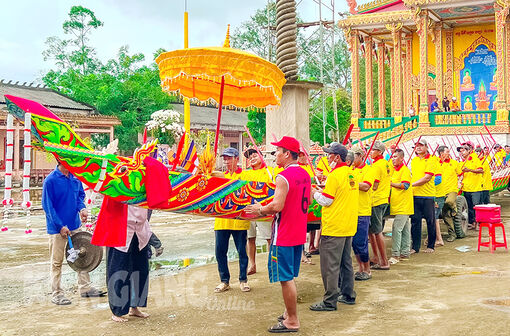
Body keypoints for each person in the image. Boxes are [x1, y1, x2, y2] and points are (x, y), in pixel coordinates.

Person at [245, 136, 311, 333]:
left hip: (283, 233)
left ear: (287, 154)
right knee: (289, 275)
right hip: (298, 231)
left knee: (285, 278)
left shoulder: (283, 177)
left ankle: (292, 320)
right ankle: (288, 312)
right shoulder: (305, 174)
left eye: (278, 152)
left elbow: (277, 205)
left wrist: (260, 209)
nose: (275, 156)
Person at [42, 162, 106, 305]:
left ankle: (85, 288)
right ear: (62, 161)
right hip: (57, 229)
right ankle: (57, 293)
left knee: (82, 257)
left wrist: (82, 208)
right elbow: (48, 206)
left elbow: (79, 197)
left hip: (74, 225)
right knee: (57, 262)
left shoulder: (75, 178)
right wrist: (59, 226)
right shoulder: (50, 180)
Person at [309, 143, 358, 311]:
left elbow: (327, 200)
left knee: (329, 265)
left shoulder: (335, 175)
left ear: (337, 157)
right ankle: (348, 294)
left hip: (335, 225)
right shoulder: (350, 174)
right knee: (346, 262)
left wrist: (314, 193)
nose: (327, 157)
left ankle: (329, 300)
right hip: (348, 224)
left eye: (329, 155)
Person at [214, 147, 251, 293]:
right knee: (220, 252)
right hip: (221, 220)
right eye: (225, 158)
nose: (227, 161)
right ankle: (224, 281)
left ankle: (243, 280)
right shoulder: (220, 176)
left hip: (239, 221)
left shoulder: (244, 176)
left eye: (229, 158)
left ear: (237, 159)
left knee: (242, 251)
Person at [107, 205, 151, 322]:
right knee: (118, 269)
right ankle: (117, 311)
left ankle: (134, 306)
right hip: (121, 228)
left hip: (140, 229)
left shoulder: (145, 186)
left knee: (140, 269)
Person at [242, 148, 273, 275]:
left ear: (261, 156)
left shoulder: (269, 171)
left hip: (264, 210)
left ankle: (272, 263)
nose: (252, 158)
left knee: (269, 238)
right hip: (249, 210)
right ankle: (252, 264)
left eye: (255, 155)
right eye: (250, 157)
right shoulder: (245, 174)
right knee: (250, 238)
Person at [410, 139, 437, 254]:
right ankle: (415, 247)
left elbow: (427, 178)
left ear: (426, 147)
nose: (418, 147)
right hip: (415, 195)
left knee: (430, 221)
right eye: (416, 146)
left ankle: (431, 245)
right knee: (415, 221)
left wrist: (411, 185)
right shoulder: (414, 161)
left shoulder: (431, 160)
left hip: (427, 195)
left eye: (421, 145)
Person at [351, 145, 374, 281]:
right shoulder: (351, 170)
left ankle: (367, 269)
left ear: (360, 156)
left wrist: (351, 183)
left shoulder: (368, 170)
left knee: (361, 242)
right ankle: (360, 267)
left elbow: (366, 186)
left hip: (362, 211)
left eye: (354, 156)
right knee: (354, 243)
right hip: (352, 210)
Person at [368, 140, 391, 270]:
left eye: (373, 150)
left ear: (379, 152)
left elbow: (374, 185)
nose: (371, 152)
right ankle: (376, 257)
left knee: (377, 231)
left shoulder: (377, 166)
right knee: (373, 231)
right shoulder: (385, 164)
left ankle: (384, 262)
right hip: (383, 199)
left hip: (376, 200)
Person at [388, 149, 413, 264]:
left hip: (403, 205)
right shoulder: (395, 171)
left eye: (395, 156)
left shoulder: (404, 170)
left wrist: (391, 184)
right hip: (398, 205)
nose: (393, 159)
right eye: (392, 156)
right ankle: (405, 252)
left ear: (402, 158)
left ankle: (396, 255)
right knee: (404, 230)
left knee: (396, 228)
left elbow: (405, 185)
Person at [437, 146, 463, 242]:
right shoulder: (436, 163)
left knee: (449, 201)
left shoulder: (454, 163)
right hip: (440, 191)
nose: (449, 153)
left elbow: (461, 174)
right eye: (447, 151)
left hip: (452, 189)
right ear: (441, 153)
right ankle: (452, 234)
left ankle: (454, 208)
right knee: (446, 215)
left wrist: (459, 182)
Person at [458, 143, 483, 230]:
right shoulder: (461, 162)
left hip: (475, 188)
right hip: (466, 188)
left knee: (476, 206)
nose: (462, 152)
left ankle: (477, 223)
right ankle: (472, 222)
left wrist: (470, 170)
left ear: (469, 151)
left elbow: (481, 170)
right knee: (469, 207)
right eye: (461, 151)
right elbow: (459, 174)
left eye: (464, 150)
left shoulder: (475, 159)